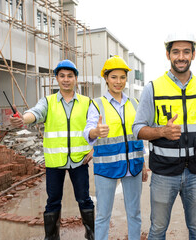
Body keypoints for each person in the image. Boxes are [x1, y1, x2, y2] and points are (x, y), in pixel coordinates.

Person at [132, 32, 196, 239]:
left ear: (193, 54)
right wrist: (161, 131)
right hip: (164, 173)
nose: (181, 56)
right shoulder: (153, 88)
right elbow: (138, 129)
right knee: (157, 230)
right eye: (176, 52)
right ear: (167, 55)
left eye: (186, 51)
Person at [10, 59, 94, 240]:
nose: (66, 79)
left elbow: (96, 127)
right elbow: (35, 113)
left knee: (84, 199)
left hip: (80, 160)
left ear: (75, 79)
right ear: (56, 78)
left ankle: (91, 233)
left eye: (70, 76)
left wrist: (94, 149)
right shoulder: (48, 102)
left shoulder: (87, 102)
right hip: (55, 161)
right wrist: (23, 118)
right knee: (53, 201)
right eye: (62, 75)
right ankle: (51, 237)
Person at [83, 55, 148, 240]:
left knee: (134, 214)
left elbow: (138, 136)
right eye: (113, 77)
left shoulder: (134, 104)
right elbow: (88, 131)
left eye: (122, 77)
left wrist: (143, 163)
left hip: (133, 166)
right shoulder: (97, 104)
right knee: (103, 215)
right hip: (106, 168)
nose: (118, 82)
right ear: (106, 78)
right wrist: (96, 131)